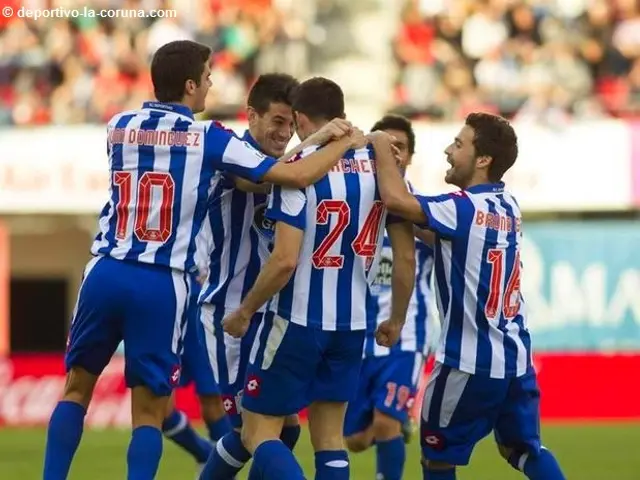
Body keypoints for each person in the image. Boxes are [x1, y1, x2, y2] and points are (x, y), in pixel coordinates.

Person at [42, 40, 356, 480]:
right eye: (207, 77)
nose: (211, 84)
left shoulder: (119, 125)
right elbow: (295, 175)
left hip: (106, 268)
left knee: (75, 390)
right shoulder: (210, 138)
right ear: (191, 85)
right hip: (162, 280)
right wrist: (337, 140)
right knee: (150, 414)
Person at [221, 77, 417, 480]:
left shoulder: (297, 172)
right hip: (352, 326)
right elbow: (406, 257)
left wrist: (245, 311)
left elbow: (285, 261)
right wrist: (396, 318)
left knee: (258, 432)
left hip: (296, 320)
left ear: (301, 119)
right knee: (329, 439)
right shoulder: (385, 171)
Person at [372, 112, 566, 480]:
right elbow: (440, 238)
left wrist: (381, 146)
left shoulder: (463, 207)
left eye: (458, 144)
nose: (448, 150)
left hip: (467, 363)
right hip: (516, 358)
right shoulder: (507, 206)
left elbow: (397, 202)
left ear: (483, 159)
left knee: (437, 459)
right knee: (523, 450)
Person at [197, 72, 345, 479]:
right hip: (230, 313)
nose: (284, 133)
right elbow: (262, 177)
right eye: (276, 122)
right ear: (252, 116)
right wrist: (319, 142)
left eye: (290, 123)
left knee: (282, 427)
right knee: (252, 429)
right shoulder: (233, 153)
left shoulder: (300, 164)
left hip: (273, 313)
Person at [343, 114, 437, 480]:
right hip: (361, 337)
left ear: (409, 157)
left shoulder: (421, 209)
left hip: (407, 334)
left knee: (384, 423)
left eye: (400, 147)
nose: (392, 152)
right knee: (353, 438)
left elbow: (446, 246)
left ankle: (396, 423)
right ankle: (402, 422)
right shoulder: (356, 205)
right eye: (386, 145)